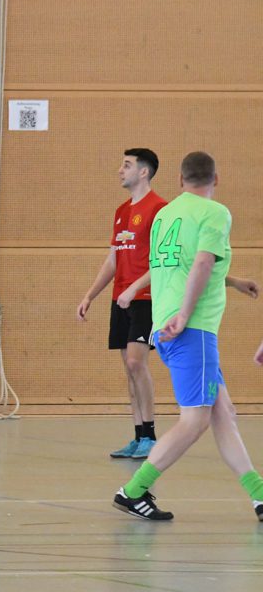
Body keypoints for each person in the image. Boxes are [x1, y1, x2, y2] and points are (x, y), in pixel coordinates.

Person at [112, 152, 263, 521]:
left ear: (180, 180)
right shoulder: (215, 213)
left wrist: (232, 282)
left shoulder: (165, 214)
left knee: (223, 413)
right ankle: (133, 491)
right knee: (195, 420)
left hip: (164, 326)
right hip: (191, 329)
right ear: (217, 179)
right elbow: (202, 263)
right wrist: (183, 315)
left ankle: (259, 496)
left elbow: (175, 266)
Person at [76, 149, 167, 459]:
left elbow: (162, 260)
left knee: (137, 363)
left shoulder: (160, 209)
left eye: (126, 165)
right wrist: (90, 295)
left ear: (144, 171)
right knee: (129, 368)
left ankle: (150, 435)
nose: (120, 170)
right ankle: (138, 435)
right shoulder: (120, 211)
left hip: (146, 298)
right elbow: (113, 259)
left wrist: (135, 288)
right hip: (120, 299)